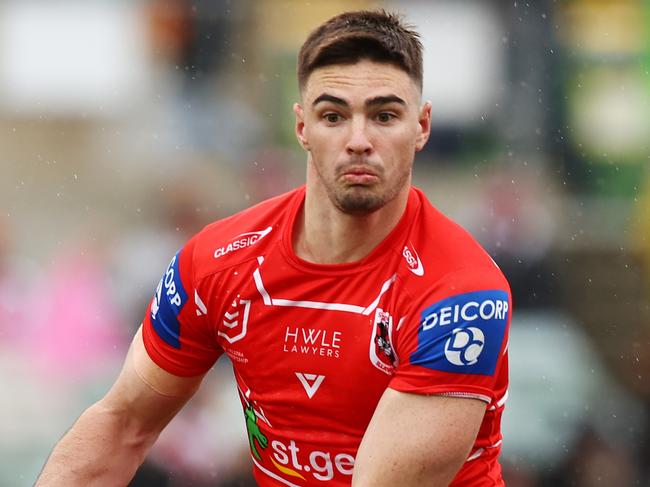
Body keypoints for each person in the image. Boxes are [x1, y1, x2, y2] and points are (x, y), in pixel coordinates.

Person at [36, 10, 511, 487]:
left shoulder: (461, 293)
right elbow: (120, 426)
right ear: (302, 127)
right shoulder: (218, 261)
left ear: (422, 126)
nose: (359, 141)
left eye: (385, 116)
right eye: (333, 116)